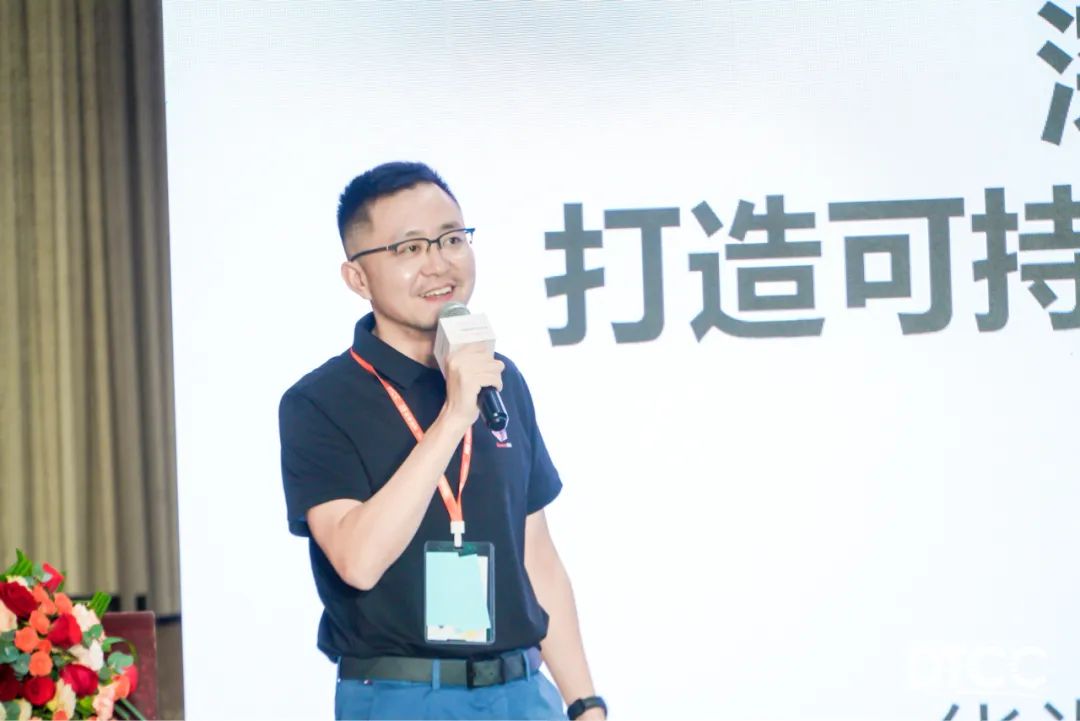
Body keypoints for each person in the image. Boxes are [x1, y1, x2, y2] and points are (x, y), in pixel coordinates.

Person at [279, 162, 606, 721]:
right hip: (402, 695)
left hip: (522, 692)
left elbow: (536, 555)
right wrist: (454, 416)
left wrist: (585, 703)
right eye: (409, 248)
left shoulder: (499, 378)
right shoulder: (320, 401)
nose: (438, 263)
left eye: (452, 239)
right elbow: (358, 561)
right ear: (358, 278)